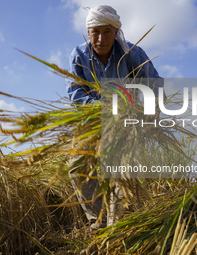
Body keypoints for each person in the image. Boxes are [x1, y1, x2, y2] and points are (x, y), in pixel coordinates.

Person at [67, 5, 163, 230]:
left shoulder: (131, 53)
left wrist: (145, 112)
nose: (101, 38)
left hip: (123, 119)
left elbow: (155, 85)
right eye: (96, 32)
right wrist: (99, 107)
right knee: (77, 167)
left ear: (116, 32)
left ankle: (118, 224)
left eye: (107, 32)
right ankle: (98, 220)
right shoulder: (79, 55)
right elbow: (75, 92)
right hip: (91, 119)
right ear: (88, 32)